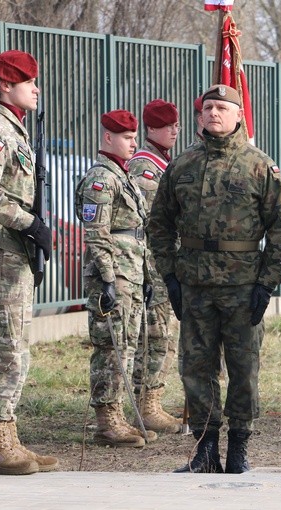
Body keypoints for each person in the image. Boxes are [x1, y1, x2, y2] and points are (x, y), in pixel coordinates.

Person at [148, 84, 281, 474]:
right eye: (207, 108)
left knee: (243, 368)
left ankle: (239, 448)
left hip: (243, 286)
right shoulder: (183, 165)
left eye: (223, 108)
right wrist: (170, 274)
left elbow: (280, 228)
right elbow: (159, 223)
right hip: (194, 285)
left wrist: (267, 282)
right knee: (196, 367)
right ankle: (206, 449)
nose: (214, 114)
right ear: (199, 116)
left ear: (239, 115)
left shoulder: (261, 166)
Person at [0, 49, 59, 475]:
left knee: (10, 345)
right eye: (29, 82)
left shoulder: (16, 131)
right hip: (1, 250)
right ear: (6, 85)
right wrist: (28, 223)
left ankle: (8, 436)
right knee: (5, 349)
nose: (36, 89)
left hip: (12, 251)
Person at [76, 109, 157, 448]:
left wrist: (147, 275)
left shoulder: (123, 176)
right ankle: (106, 420)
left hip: (132, 271)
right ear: (108, 137)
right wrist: (108, 279)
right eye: (127, 138)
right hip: (114, 276)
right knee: (111, 346)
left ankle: (119, 416)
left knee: (127, 345)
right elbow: (97, 232)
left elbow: (139, 231)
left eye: (135, 137)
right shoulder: (101, 178)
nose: (133, 143)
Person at [127, 99, 183, 434]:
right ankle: (145, 405)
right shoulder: (145, 166)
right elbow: (151, 223)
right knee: (156, 337)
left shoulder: (164, 162)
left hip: (166, 265)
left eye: (176, 126)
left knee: (166, 336)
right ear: (151, 129)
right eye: (167, 126)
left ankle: (154, 400)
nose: (174, 131)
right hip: (153, 265)